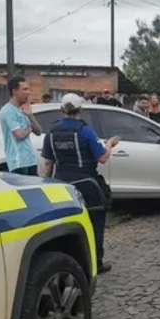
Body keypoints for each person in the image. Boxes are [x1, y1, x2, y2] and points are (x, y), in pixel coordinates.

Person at [39, 93, 120, 274]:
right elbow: (103, 157)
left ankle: (67, 261)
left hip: (61, 184)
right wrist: (109, 144)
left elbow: (47, 163)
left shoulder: (51, 132)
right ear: (80, 110)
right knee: (95, 221)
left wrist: (47, 184)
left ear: (62, 110)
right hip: (87, 183)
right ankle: (96, 263)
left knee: (64, 223)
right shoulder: (85, 131)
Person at [0, 76, 42, 175]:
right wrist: (30, 127)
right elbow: (19, 135)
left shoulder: (24, 109)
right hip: (18, 162)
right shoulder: (8, 111)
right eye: (25, 89)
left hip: (30, 160)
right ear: (14, 91)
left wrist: (30, 116)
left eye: (29, 89)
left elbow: (39, 132)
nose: (28, 93)